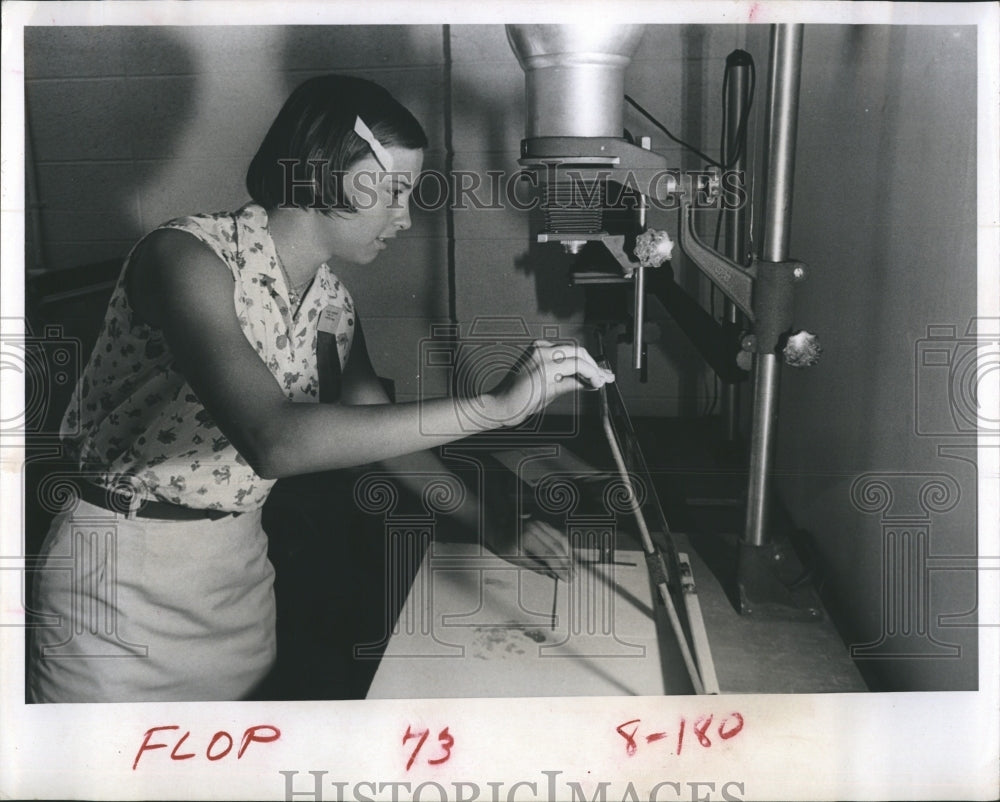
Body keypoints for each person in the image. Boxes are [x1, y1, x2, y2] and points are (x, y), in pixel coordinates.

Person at [27, 74, 614, 703]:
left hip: (237, 577)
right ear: (325, 172)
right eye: (391, 191)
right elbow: (273, 440)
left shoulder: (332, 301)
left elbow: (379, 435)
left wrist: (490, 522)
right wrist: (493, 408)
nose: (405, 216)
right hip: (117, 582)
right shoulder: (185, 257)